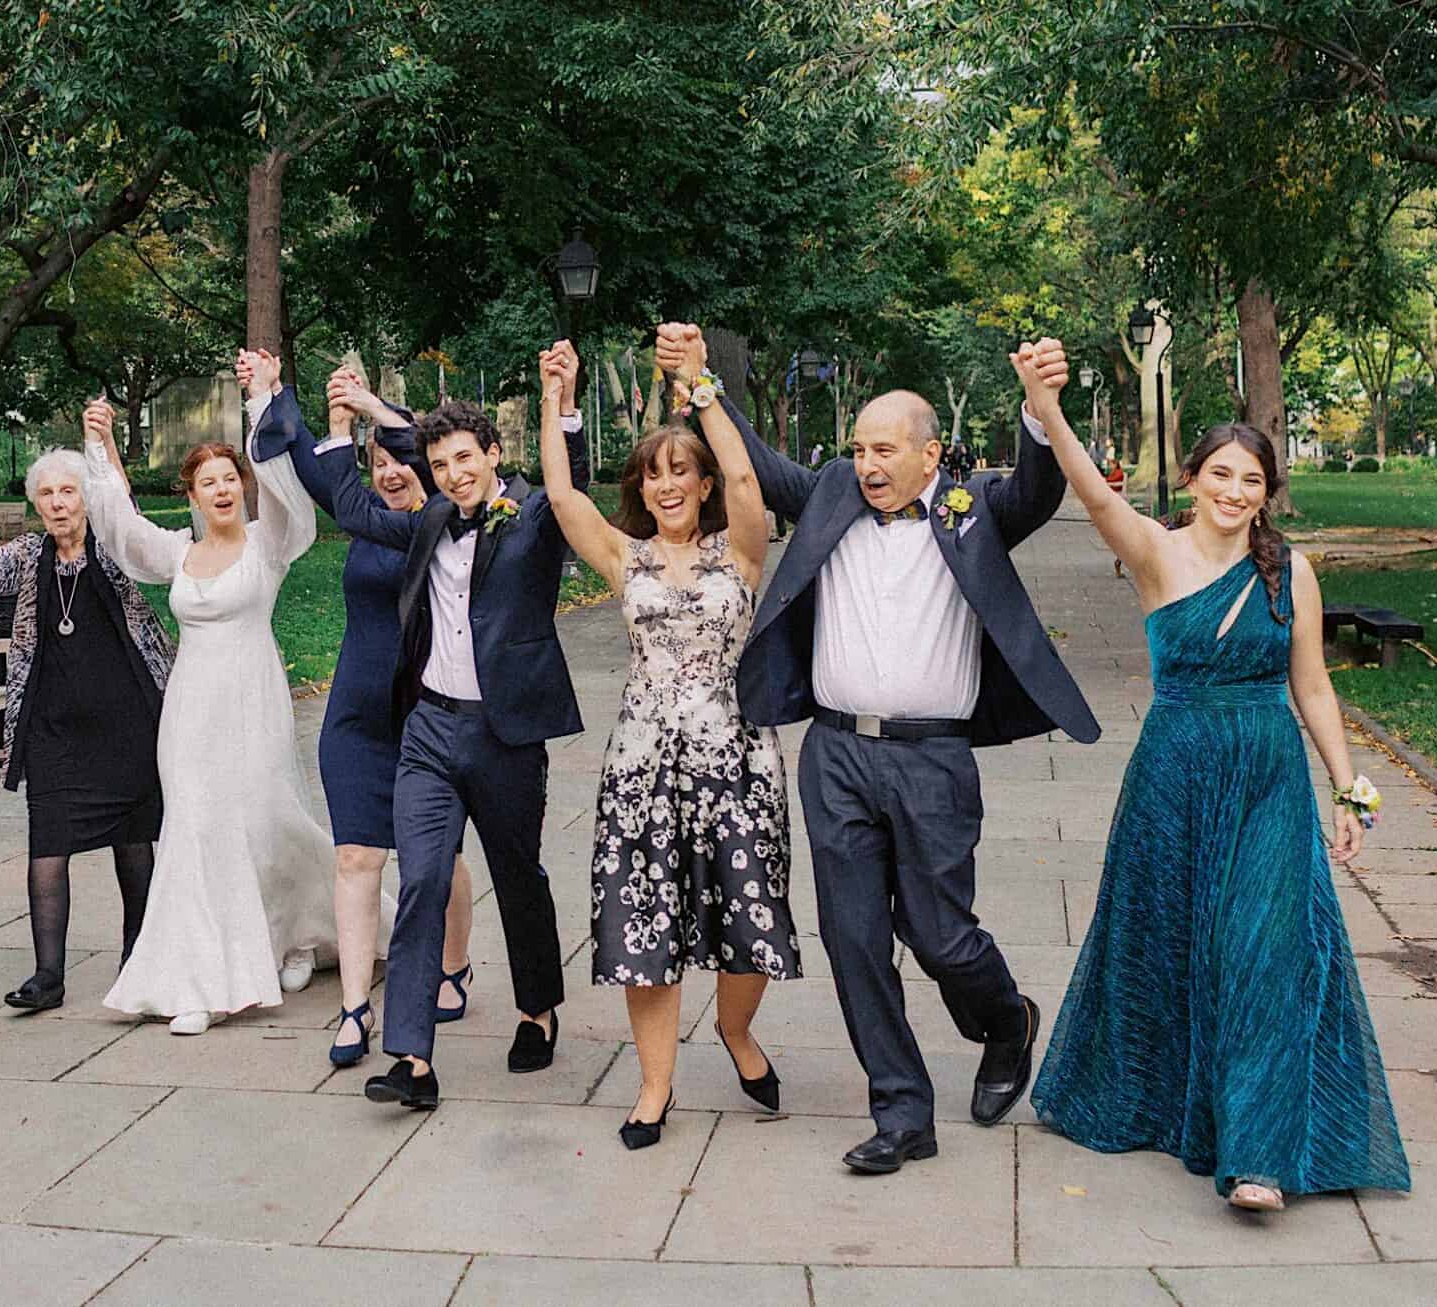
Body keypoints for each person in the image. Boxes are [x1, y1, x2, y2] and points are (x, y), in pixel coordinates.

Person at [657, 322, 1098, 1175]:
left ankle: (1005, 1018)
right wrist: (703, 383)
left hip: (932, 761)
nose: (867, 462)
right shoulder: (827, 495)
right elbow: (754, 463)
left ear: (931, 456)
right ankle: (902, 1110)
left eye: (885, 448)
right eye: (859, 446)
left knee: (938, 934)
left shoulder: (975, 512)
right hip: (837, 757)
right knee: (854, 936)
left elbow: (1040, 491)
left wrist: (1040, 410)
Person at [1015, 353, 1409, 1211]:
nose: (1234, 491)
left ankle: (1258, 1156)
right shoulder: (1155, 553)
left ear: (1266, 493)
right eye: (1221, 474)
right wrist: (1044, 406)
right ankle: (1171, 1101)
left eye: (1252, 480)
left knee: (1265, 952)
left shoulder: (1290, 570)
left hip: (1269, 774)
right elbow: (1092, 492)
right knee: (1167, 944)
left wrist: (1349, 787)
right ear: (1192, 478)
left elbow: (1312, 684)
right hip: (1176, 773)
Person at [309, 348, 591, 1113]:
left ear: (493, 455)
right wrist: (352, 420)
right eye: (439, 460)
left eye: (465, 456)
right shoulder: (426, 519)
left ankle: (537, 1007)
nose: (453, 471)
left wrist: (562, 403)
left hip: (505, 735)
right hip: (429, 730)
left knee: (519, 875)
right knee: (424, 877)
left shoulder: (533, 513)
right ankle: (409, 1055)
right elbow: (354, 505)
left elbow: (575, 490)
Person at [539, 343, 799, 1149]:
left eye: (683, 470)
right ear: (641, 490)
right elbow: (558, 494)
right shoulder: (627, 557)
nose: (669, 482)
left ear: (704, 484)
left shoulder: (742, 551)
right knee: (642, 925)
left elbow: (751, 480)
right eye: (654, 473)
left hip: (737, 760)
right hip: (643, 765)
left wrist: (699, 388)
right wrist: (557, 396)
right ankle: (655, 1086)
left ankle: (736, 1030)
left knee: (750, 913)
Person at [82, 359, 338, 1034]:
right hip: (191, 709)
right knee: (194, 827)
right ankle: (195, 978)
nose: (222, 489)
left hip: (254, 699)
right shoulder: (179, 553)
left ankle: (297, 935)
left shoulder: (268, 544)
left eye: (230, 479)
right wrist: (101, 445)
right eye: (208, 482)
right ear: (192, 496)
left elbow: (287, 491)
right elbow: (120, 524)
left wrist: (260, 400)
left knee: (264, 819)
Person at [249, 367, 479, 1070]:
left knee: (435, 861)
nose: (387, 475)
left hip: (425, 718)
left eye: (400, 463)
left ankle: (453, 963)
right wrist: (273, 393)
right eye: (375, 466)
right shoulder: (359, 514)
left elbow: (423, 453)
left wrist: (374, 411)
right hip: (353, 718)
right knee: (355, 856)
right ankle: (354, 1007)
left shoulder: (443, 525)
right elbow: (312, 460)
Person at [0, 447, 173, 1014]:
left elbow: (135, 524)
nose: (56, 503)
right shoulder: (29, 553)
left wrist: (110, 456)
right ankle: (48, 975)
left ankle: (137, 960)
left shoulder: (114, 546)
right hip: (52, 729)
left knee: (133, 841)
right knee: (47, 842)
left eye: (67, 491)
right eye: (46, 494)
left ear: (86, 497)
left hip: (126, 724)